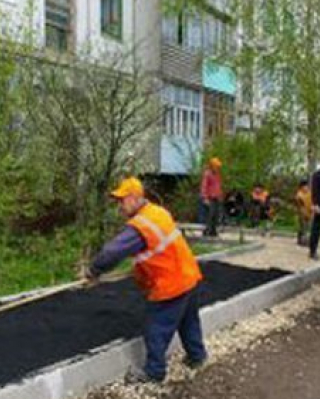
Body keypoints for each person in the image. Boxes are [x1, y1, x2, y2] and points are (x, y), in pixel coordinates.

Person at [85, 177, 208, 383]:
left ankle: (154, 372)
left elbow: (112, 252)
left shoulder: (140, 226)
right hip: (188, 276)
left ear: (134, 198)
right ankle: (197, 356)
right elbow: (154, 253)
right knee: (188, 321)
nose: (119, 206)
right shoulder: (157, 212)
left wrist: (93, 270)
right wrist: (140, 277)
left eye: (121, 201)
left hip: (171, 284)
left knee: (156, 327)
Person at [200, 157, 223, 237]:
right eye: (216, 166)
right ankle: (207, 231)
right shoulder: (207, 174)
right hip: (210, 198)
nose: (218, 168)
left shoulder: (217, 175)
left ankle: (213, 231)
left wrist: (220, 195)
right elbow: (204, 186)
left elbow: (218, 185)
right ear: (212, 166)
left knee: (216, 215)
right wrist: (205, 198)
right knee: (210, 214)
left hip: (216, 197)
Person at [293, 178, 312, 247]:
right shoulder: (299, 194)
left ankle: (304, 240)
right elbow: (300, 204)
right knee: (302, 227)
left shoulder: (309, 193)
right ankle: (302, 240)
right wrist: (302, 211)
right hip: (302, 213)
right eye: (304, 186)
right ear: (301, 187)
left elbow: (311, 201)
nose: (306, 187)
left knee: (307, 227)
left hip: (309, 212)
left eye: (306, 186)